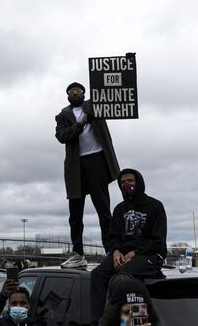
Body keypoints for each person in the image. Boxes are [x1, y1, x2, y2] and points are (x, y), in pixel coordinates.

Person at [89, 168, 167, 326]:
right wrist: (116, 251)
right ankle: (97, 321)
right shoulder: (119, 209)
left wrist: (135, 253)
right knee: (98, 274)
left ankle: (126, 322)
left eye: (130, 181)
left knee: (123, 278)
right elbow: (113, 236)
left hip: (150, 256)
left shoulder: (155, 206)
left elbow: (158, 241)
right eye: (123, 182)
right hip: (122, 254)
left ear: (138, 182)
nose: (126, 184)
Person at [55, 81, 120, 267]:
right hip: (76, 165)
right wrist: (81, 124)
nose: (76, 94)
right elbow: (62, 136)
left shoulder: (95, 106)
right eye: (72, 92)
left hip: (97, 160)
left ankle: (110, 250)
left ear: (84, 93)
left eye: (79, 91)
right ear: (67, 95)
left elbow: (113, 98)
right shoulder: (62, 115)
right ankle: (78, 253)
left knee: (104, 210)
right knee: (75, 213)